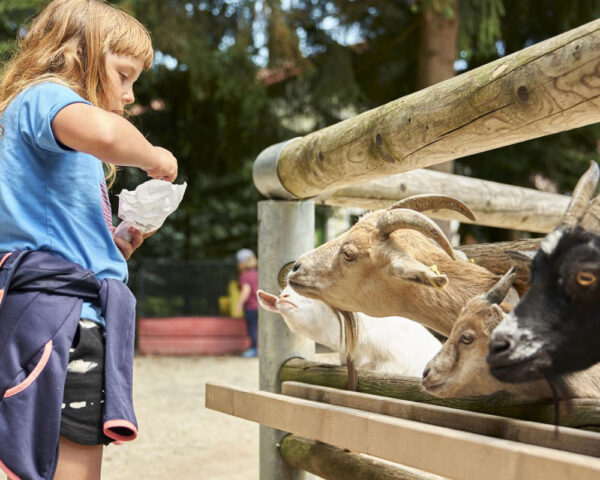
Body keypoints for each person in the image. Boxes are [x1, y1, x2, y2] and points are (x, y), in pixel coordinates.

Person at [0, 1, 177, 479]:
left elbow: (55, 229)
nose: (128, 95)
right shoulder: (46, 96)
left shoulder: (53, 134)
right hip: (63, 319)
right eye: (123, 75)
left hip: (58, 308)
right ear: (78, 54)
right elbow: (105, 131)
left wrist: (115, 242)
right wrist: (154, 156)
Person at [235, 249, 259, 358]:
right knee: (259, 328)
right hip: (260, 305)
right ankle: (259, 347)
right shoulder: (257, 274)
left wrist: (239, 304)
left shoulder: (245, 276)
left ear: (241, 263)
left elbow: (246, 290)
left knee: (252, 328)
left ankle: (255, 349)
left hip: (251, 307)